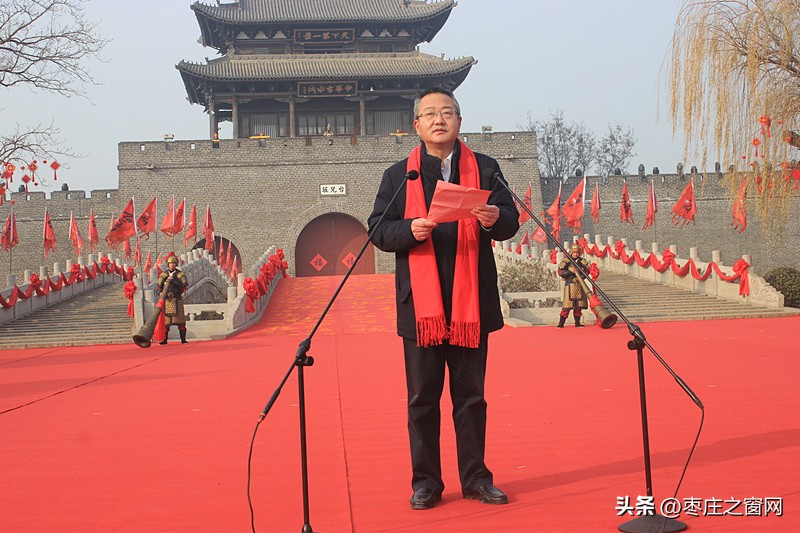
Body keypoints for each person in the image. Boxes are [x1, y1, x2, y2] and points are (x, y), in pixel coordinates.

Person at [368, 87, 519, 510]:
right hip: (422, 307)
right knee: (422, 399)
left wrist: (494, 218)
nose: (439, 120)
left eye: (447, 113)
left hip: (471, 304)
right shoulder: (401, 175)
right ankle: (426, 482)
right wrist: (409, 230)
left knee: (471, 398)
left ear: (459, 122)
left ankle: (476, 479)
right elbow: (378, 228)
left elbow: (511, 220)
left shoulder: (486, 170)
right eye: (430, 114)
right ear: (416, 125)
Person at [557, 242, 591, 328]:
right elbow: (560, 272)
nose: (576, 254)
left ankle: (577, 322)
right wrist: (569, 272)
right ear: (571, 252)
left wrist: (581, 277)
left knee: (579, 305)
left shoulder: (582, 261)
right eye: (574, 252)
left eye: (577, 252)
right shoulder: (566, 261)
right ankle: (561, 323)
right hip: (569, 284)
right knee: (567, 305)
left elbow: (587, 272)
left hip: (580, 284)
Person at [157, 253, 189, 344]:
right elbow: (158, 286)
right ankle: (164, 339)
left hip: (177, 299)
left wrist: (174, 281)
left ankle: (183, 339)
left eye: (174, 263)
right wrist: (160, 292)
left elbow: (184, 284)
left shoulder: (180, 274)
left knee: (181, 322)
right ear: (168, 264)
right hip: (167, 300)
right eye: (171, 263)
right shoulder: (164, 274)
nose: (172, 265)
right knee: (166, 322)